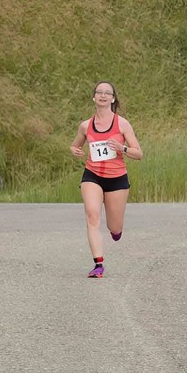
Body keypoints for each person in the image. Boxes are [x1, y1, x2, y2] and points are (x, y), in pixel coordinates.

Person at [69, 81, 142, 278]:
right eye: (99, 92)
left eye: (107, 93)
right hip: (92, 175)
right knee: (92, 216)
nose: (103, 95)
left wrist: (122, 148)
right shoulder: (85, 126)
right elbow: (75, 145)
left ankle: (116, 231)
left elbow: (138, 153)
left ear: (113, 99)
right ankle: (98, 264)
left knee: (114, 227)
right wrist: (74, 150)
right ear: (94, 97)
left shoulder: (122, 124)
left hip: (116, 178)